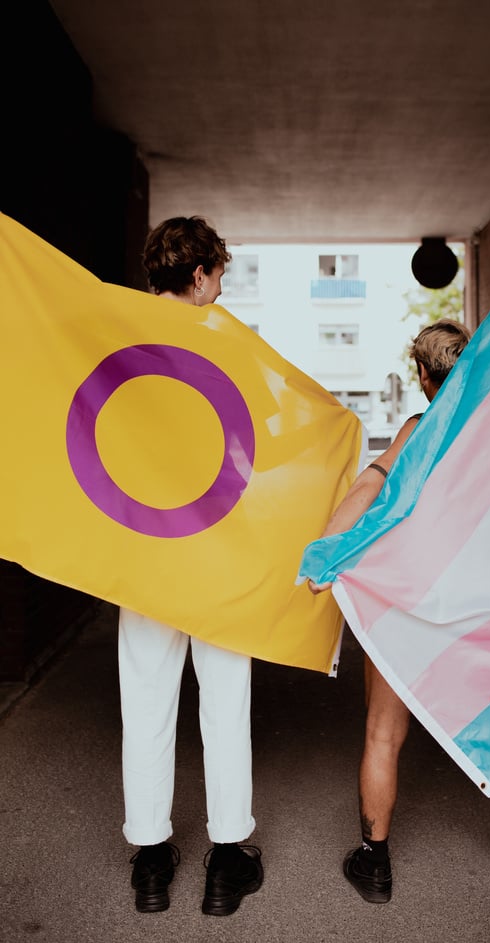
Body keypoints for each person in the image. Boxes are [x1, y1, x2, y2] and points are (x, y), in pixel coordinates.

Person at [308, 318, 490, 903]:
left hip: (409, 604)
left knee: (383, 735)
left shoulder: (418, 431)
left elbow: (367, 489)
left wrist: (323, 555)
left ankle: (375, 863)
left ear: (421, 375)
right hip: (476, 604)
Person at [120, 216, 263, 916]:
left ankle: (150, 861)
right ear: (202, 273)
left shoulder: (115, 336)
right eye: (218, 278)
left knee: (144, 703)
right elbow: (263, 445)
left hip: (143, 554)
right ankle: (225, 861)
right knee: (224, 702)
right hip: (215, 553)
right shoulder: (228, 345)